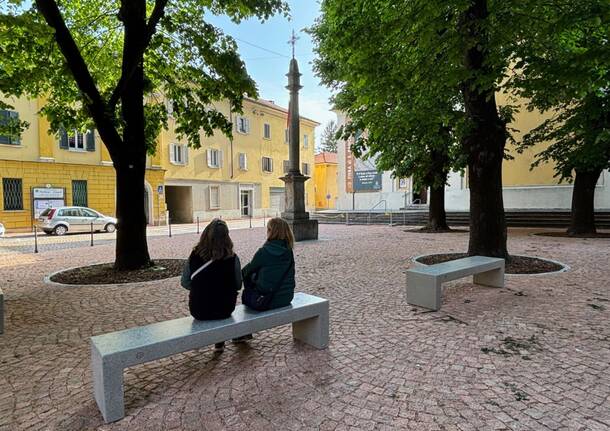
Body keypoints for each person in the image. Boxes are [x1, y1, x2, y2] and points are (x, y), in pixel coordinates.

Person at [181, 219, 241, 353]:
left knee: (210, 300)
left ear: (205, 234)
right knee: (219, 301)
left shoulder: (194, 256)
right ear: (227, 237)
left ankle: (219, 342)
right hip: (225, 309)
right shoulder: (232, 258)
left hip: (199, 309)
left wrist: (202, 288)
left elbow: (184, 282)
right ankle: (221, 341)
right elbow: (238, 285)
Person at [239, 218, 295, 344]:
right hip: (287, 297)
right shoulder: (288, 251)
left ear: (271, 231)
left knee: (247, 293)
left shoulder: (264, 251)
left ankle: (244, 332)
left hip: (266, 300)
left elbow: (246, 271)